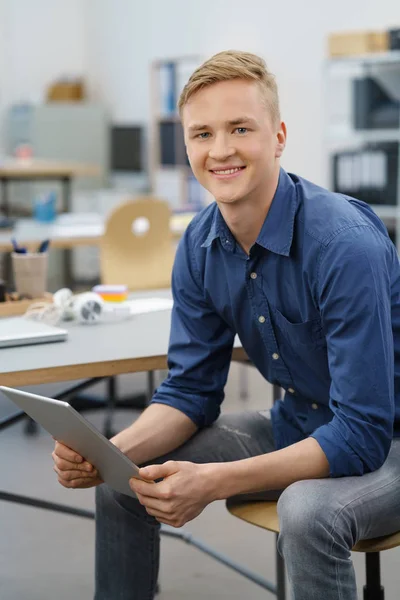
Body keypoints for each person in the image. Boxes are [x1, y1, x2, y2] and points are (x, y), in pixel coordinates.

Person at [52, 50, 400, 600]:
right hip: (299, 421)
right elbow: (190, 391)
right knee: (127, 481)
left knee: (306, 512)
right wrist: (109, 451)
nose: (221, 150)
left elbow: (362, 433)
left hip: (386, 440)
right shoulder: (198, 244)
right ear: (186, 144)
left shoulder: (343, 245)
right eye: (202, 133)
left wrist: (213, 483)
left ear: (279, 135)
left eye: (241, 128)